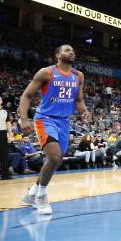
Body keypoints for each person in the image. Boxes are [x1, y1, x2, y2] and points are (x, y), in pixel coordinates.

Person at [19, 44, 88, 215]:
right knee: (54, 156)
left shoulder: (78, 76)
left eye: (73, 50)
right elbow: (26, 96)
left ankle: (32, 193)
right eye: (66, 50)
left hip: (64, 122)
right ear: (57, 55)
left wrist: (84, 111)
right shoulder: (46, 72)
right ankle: (41, 196)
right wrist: (23, 118)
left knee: (56, 161)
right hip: (45, 119)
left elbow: (78, 100)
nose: (71, 52)